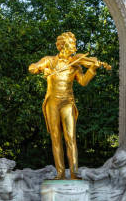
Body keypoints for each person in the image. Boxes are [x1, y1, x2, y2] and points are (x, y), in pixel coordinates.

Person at [29, 32, 111, 179]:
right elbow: (32, 67)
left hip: (67, 101)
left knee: (70, 137)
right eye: (71, 44)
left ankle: (74, 172)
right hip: (52, 102)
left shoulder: (75, 64)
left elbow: (83, 82)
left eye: (73, 44)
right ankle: (60, 173)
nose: (73, 47)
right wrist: (39, 68)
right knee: (55, 137)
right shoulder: (50, 60)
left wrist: (92, 69)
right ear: (62, 46)